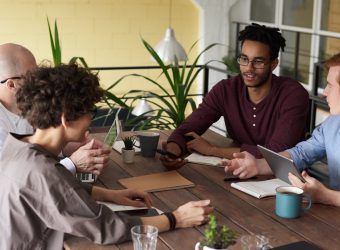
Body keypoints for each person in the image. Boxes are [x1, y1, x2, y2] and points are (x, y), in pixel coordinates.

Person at [0, 64, 213, 249]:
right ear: (66, 119)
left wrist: (111, 195)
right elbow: (107, 229)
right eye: (88, 111)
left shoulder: (18, 145)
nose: (91, 119)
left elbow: (57, 190)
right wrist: (176, 218)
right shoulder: (41, 171)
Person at [223, 49, 340, 215]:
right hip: (337, 220)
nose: (325, 92)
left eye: (330, 85)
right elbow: (300, 153)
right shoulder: (332, 124)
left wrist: (327, 196)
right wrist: (258, 165)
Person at [160, 23, 309, 170]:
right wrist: (173, 151)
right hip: (238, 172)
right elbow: (189, 128)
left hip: (284, 181)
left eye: (258, 61)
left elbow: (275, 154)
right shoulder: (226, 90)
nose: (249, 68)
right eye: (244, 59)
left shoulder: (293, 94)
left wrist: (213, 151)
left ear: (273, 64)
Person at [0, 43, 109, 175]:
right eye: (32, 77)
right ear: (11, 84)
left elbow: (35, 151)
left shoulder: (27, 105)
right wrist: (72, 164)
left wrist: (65, 145)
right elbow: (18, 178)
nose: (39, 81)